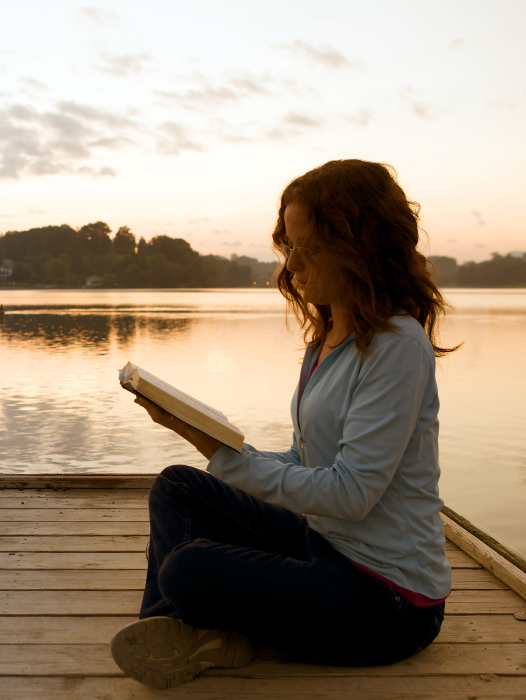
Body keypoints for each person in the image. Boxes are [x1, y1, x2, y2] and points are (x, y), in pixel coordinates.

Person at [110, 159, 458, 690]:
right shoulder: (328, 339)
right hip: (325, 544)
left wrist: (225, 454)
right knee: (178, 486)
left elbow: (351, 494)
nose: (291, 265)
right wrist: (202, 438)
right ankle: (176, 631)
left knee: (188, 570)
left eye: (306, 247)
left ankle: (192, 631)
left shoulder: (397, 347)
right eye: (288, 246)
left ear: (357, 247)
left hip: (388, 599)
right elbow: (304, 462)